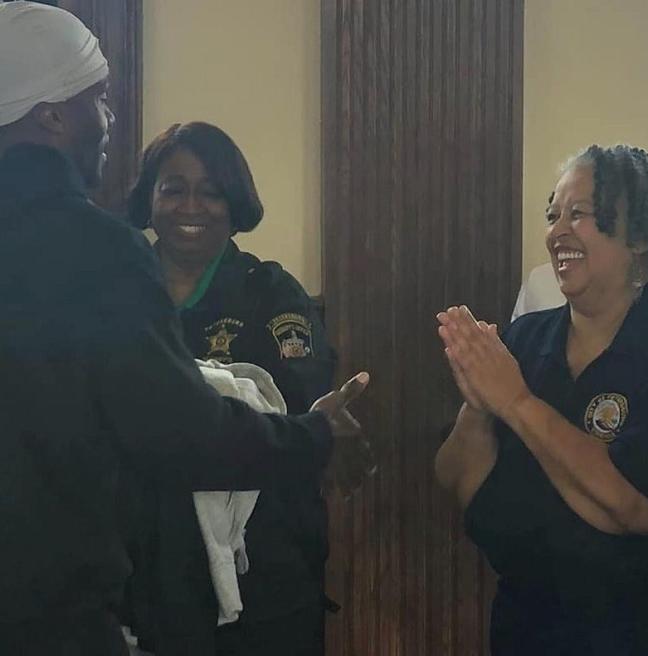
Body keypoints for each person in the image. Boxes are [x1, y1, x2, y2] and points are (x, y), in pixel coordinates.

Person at [0, 3, 370, 653]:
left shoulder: (265, 291)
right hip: (56, 610)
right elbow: (180, 430)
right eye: (100, 99)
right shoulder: (94, 251)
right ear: (54, 114)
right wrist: (316, 436)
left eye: (211, 192)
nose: (107, 118)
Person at [435, 144, 648, 654]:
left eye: (580, 215)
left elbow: (633, 509)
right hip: (526, 626)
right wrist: (476, 407)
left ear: (641, 237)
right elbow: (455, 480)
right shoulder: (526, 340)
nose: (558, 232)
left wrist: (514, 401)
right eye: (554, 214)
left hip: (647, 632)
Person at [121, 123, 341, 655]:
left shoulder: (269, 293)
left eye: (210, 190)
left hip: (263, 572)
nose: (189, 205)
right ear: (149, 200)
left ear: (233, 201)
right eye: (173, 188)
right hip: (141, 567)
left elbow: (294, 414)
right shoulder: (116, 290)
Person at [512, 261, 648, 324]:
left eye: (580, 214)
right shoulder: (541, 282)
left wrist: (520, 403)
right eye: (553, 216)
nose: (561, 229)